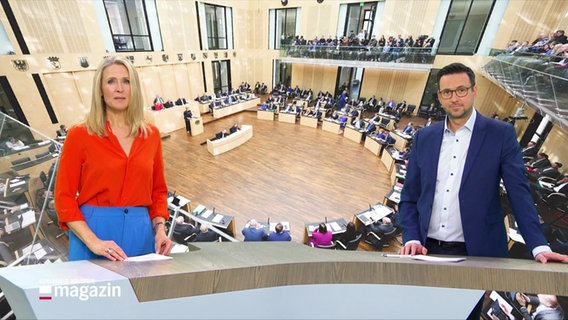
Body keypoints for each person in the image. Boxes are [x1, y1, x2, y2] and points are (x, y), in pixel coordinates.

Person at [398, 63, 568, 316]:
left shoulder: (501, 134)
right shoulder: (425, 137)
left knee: (463, 313)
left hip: (475, 252)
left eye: (461, 90)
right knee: (420, 311)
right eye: (447, 92)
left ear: (474, 91)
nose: (454, 97)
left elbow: (519, 193)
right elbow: (410, 196)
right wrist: (411, 236)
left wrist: (539, 246)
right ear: (440, 97)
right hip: (425, 248)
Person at [54, 56, 172, 261]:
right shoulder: (79, 135)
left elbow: (158, 191)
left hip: (140, 230)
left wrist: (160, 229)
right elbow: (64, 197)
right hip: (93, 230)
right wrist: (93, 241)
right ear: (100, 89)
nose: (120, 88)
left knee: (138, 291)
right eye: (111, 81)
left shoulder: (151, 135)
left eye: (126, 81)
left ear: (134, 88)